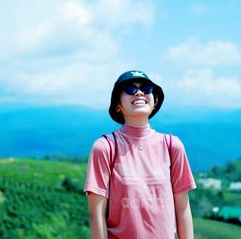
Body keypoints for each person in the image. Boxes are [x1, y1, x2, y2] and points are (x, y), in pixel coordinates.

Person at [84, 70, 196, 239]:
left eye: (147, 88)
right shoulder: (105, 148)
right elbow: (96, 215)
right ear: (117, 106)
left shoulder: (172, 146)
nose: (139, 92)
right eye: (129, 88)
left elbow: (183, 209)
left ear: (155, 101)